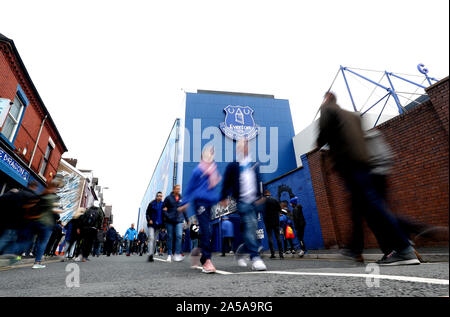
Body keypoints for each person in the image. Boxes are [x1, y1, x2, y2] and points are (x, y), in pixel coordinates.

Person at [316, 92, 419, 266]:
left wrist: (319, 144)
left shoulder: (328, 110)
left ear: (327, 98)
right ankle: (365, 250)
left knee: (373, 207)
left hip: (349, 163)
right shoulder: (353, 116)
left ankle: (404, 248)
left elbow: (323, 134)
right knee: (366, 209)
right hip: (365, 164)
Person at [220, 139, 267, 271]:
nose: (245, 147)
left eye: (246, 144)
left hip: (255, 202)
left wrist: (261, 196)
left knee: (251, 230)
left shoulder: (254, 164)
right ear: (238, 149)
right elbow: (226, 183)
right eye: (242, 145)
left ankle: (240, 252)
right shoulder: (233, 166)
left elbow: (259, 181)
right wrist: (223, 197)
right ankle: (255, 257)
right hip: (242, 201)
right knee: (250, 225)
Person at [179, 145, 222, 273]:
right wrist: (185, 201)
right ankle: (207, 261)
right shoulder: (198, 170)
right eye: (208, 152)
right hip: (200, 203)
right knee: (206, 230)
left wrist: (220, 199)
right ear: (203, 155)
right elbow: (190, 187)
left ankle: (198, 254)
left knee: (209, 232)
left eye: (212, 152)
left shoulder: (213, 171)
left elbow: (213, 190)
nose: (211, 154)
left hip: (209, 204)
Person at [163, 185, 188, 262]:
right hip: (169, 221)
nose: (178, 190)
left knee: (179, 236)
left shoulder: (181, 198)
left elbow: (184, 209)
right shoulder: (168, 198)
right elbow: (163, 209)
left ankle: (177, 254)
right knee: (170, 237)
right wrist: (168, 216)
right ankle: (170, 254)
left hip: (179, 220)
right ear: (173, 189)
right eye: (177, 189)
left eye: (179, 189)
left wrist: (187, 219)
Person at [262, 190, 284, 259]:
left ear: (265, 194)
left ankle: (273, 254)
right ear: (269, 194)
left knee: (270, 237)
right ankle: (281, 254)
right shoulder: (275, 200)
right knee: (278, 237)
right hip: (276, 221)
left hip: (268, 222)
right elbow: (279, 209)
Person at [145, 191, 164, 262]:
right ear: (156, 196)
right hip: (151, 224)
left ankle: (151, 254)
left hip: (158, 225)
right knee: (151, 238)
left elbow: (164, 215)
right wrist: (149, 219)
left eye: (161, 196)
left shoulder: (163, 204)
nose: (160, 197)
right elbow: (147, 213)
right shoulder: (152, 204)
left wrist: (163, 225)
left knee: (154, 241)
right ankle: (150, 254)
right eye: (158, 195)